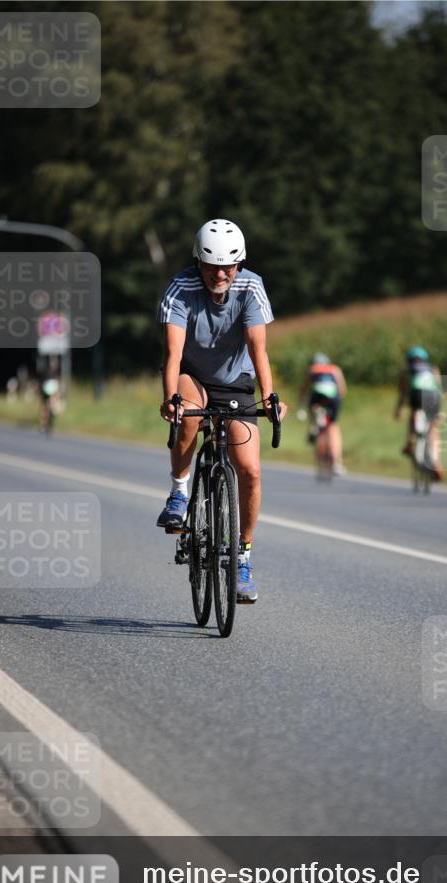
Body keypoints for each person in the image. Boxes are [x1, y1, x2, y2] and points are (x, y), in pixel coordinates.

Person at [157, 218, 286, 604]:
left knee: (250, 469)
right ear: (198, 261)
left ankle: (241, 557)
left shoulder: (251, 287)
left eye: (228, 266)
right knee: (188, 417)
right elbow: (173, 354)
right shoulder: (181, 289)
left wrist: (270, 398)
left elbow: (259, 351)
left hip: (236, 383)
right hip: (192, 376)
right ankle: (179, 493)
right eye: (212, 266)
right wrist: (170, 399)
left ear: (239, 263)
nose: (220, 274)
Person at [395, 346, 443, 479]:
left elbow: (403, 393)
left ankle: (410, 443)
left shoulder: (407, 370)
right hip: (433, 398)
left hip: (417, 396)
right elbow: (438, 387)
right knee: (434, 428)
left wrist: (398, 410)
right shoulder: (432, 368)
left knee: (414, 414)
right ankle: (436, 461)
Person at [297, 352, 347, 474]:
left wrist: (301, 407)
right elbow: (342, 389)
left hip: (318, 395)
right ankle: (337, 463)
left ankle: (314, 424)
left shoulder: (313, 369)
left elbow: (304, 389)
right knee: (333, 428)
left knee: (314, 407)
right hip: (333, 397)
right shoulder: (335, 369)